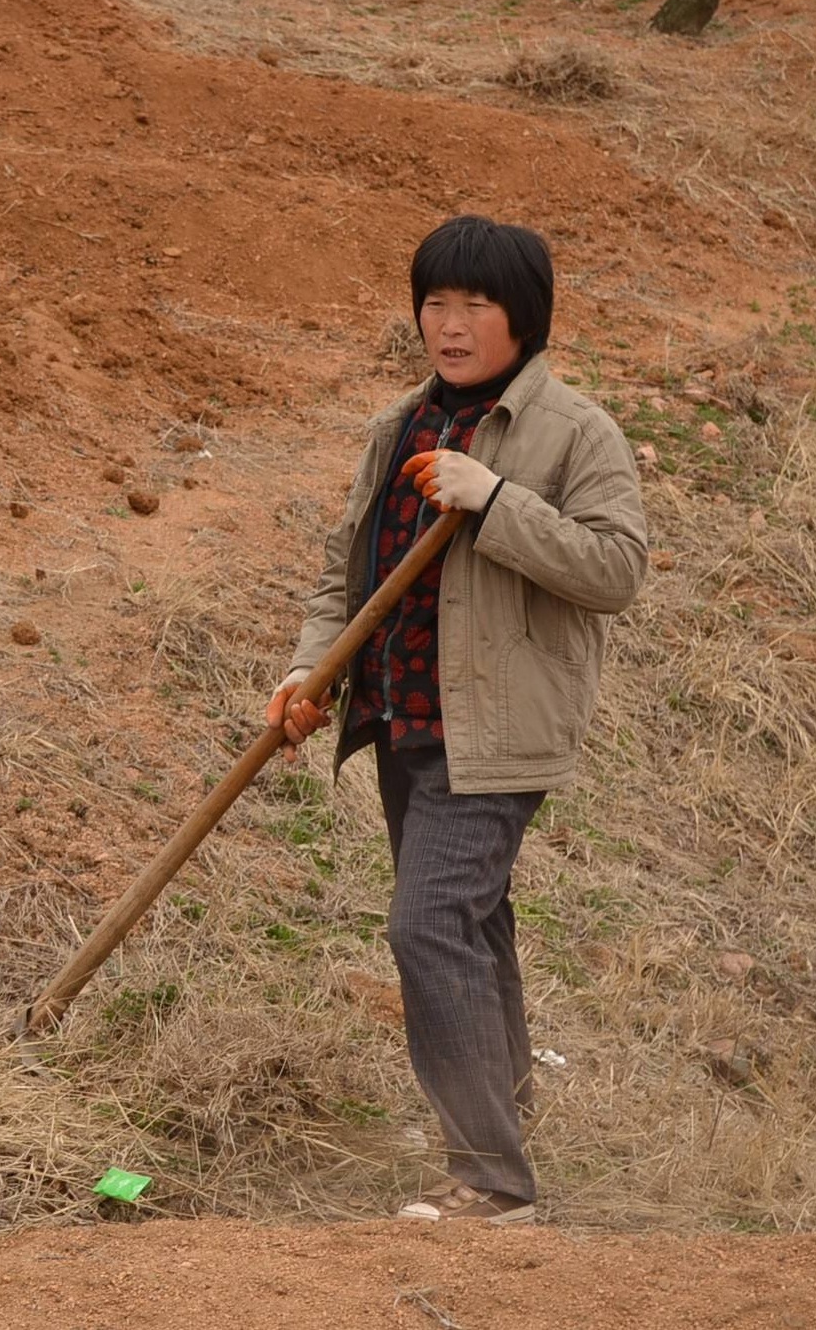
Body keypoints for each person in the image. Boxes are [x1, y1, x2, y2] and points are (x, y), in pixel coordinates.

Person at [267, 215, 647, 1224]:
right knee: (471, 920)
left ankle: (490, 1176)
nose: (450, 322)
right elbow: (343, 572)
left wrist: (493, 500)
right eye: (435, 301)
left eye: (474, 303)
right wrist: (311, 668)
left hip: (499, 734)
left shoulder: (575, 431)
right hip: (400, 720)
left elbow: (614, 569)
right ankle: (502, 1113)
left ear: (523, 316)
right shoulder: (396, 426)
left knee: (425, 922)